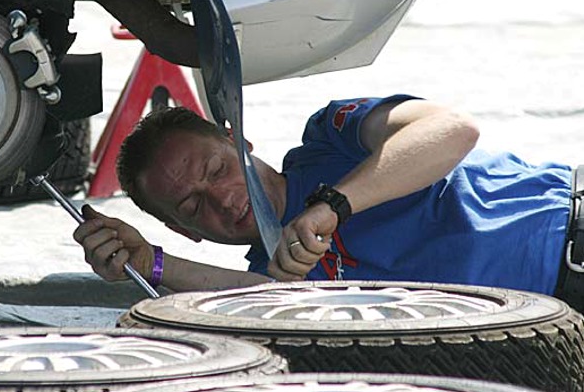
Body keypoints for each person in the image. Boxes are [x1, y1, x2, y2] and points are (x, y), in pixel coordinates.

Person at [73, 95, 584, 310]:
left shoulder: (330, 136)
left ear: (240, 141)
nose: (225, 200)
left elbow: (453, 130)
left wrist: (334, 204)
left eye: (218, 169)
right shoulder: (268, 288)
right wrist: (151, 264)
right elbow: (262, 301)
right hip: (558, 320)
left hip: (569, 225)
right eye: (191, 207)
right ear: (187, 233)